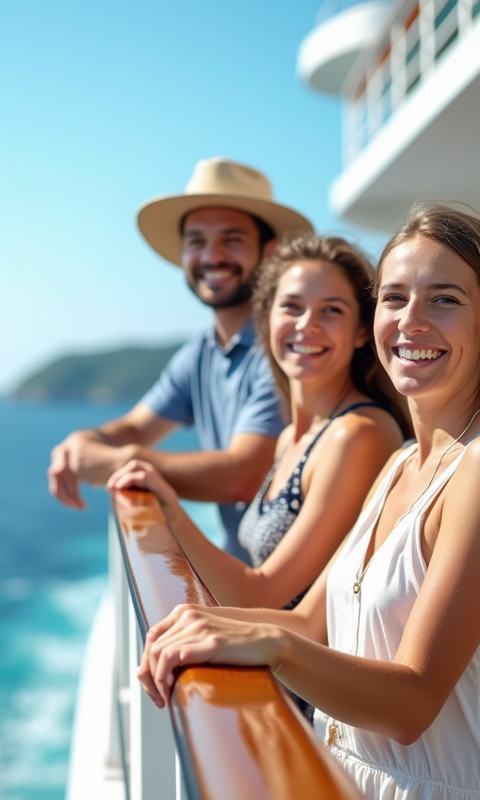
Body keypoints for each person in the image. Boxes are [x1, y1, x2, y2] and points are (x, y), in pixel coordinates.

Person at [131, 205, 480, 800]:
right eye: (394, 298)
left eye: (444, 300)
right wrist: (199, 622)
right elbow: (312, 622)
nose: (411, 322)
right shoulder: (399, 463)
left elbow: (411, 703)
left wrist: (269, 646)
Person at [106, 234, 408, 616]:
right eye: (291, 307)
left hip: (303, 671)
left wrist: (170, 508)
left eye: (331, 310)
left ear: (362, 331)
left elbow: (264, 594)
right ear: (267, 319)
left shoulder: (357, 433)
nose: (307, 324)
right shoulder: (290, 439)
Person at [48, 158, 314, 563]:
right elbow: (136, 426)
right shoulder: (202, 352)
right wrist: (82, 441)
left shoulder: (286, 348)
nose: (212, 256)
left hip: (294, 596)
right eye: (196, 242)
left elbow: (243, 474)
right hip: (242, 579)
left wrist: (115, 462)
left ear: (271, 252)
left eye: (231, 239)